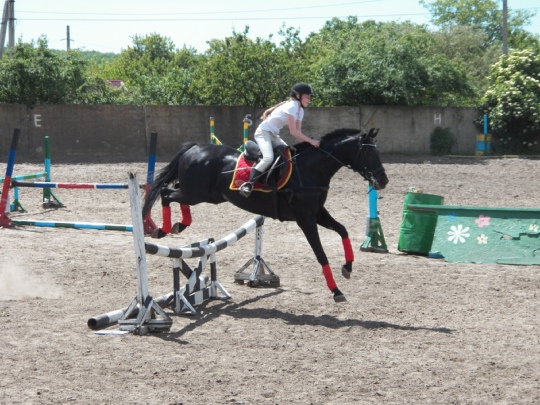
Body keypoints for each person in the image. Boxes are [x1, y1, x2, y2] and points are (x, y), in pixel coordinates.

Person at [239, 82, 320, 197]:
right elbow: (293, 132)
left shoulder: (300, 111)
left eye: (309, 97)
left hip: (274, 136)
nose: (309, 100)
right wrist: (311, 141)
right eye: (307, 97)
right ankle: (248, 184)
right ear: (298, 96)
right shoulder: (292, 106)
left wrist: (310, 144)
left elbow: (298, 133)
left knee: (289, 155)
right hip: (263, 133)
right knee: (268, 158)